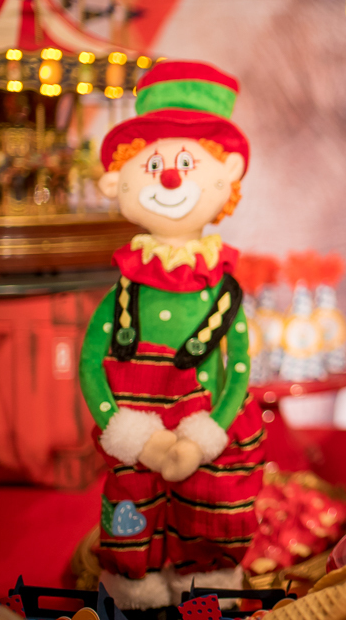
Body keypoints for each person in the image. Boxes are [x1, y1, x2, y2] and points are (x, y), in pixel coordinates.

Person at [79, 61, 263, 610]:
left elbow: (238, 368)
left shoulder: (221, 288)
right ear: (117, 182)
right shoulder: (125, 289)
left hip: (199, 434)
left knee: (207, 509)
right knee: (130, 512)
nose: (170, 179)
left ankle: (207, 579)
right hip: (137, 441)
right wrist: (128, 432)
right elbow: (91, 363)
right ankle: (133, 585)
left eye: (187, 163)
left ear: (228, 174)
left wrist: (207, 433)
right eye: (154, 164)